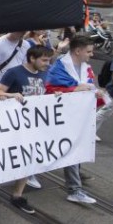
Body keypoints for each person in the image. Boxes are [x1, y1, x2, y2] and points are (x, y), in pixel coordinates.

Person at [0, 45, 55, 214]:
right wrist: (11, 95)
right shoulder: (14, 73)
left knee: (30, 158)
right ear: (31, 58)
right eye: (44, 60)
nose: (47, 64)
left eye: (48, 60)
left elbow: (43, 94)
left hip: (34, 125)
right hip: (14, 125)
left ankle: (17, 195)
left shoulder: (44, 74)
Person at [44, 35, 99, 205]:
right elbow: (49, 90)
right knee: (48, 148)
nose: (91, 55)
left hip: (76, 118)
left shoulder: (85, 68)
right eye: (89, 51)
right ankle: (74, 188)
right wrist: (75, 89)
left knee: (71, 149)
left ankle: (75, 187)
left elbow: (90, 85)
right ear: (78, 50)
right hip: (57, 117)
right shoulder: (59, 68)